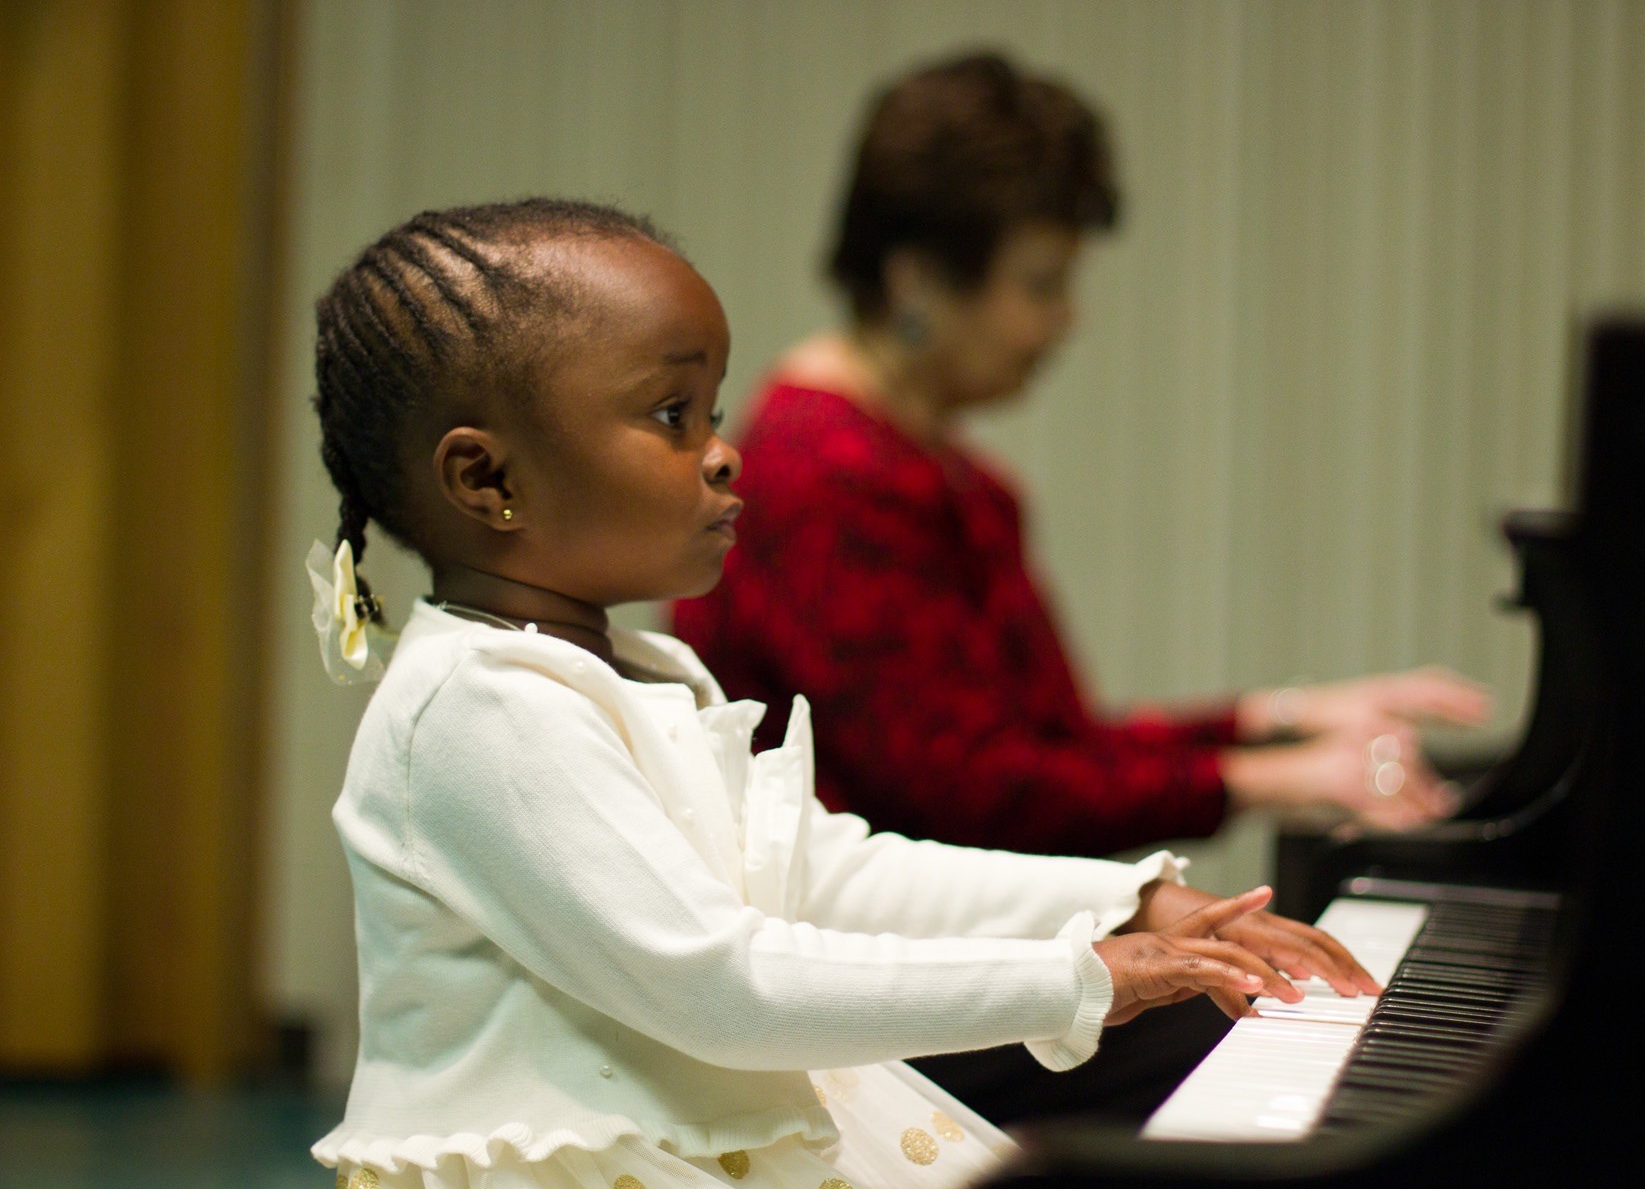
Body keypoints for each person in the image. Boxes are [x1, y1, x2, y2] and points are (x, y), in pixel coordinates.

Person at [303, 198, 1380, 1189]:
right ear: (488, 481)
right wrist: (1082, 976)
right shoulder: (480, 713)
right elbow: (719, 986)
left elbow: (823, 872)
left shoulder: (643, 672)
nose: (723, 454)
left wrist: (1120, 904)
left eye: (711, 410)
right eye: (672, 415)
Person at [668, 50, 1492, 1127]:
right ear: (918, 278)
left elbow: (1043, 741)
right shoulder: (828, 473)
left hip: (952, 946)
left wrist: (1284, 719)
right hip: (873, 994)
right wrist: (1264, 775)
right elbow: (973, 793)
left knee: (1259, 1010)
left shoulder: (949, 474)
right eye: (1042, 284)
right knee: (1260, 1027)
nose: (1067, 320)